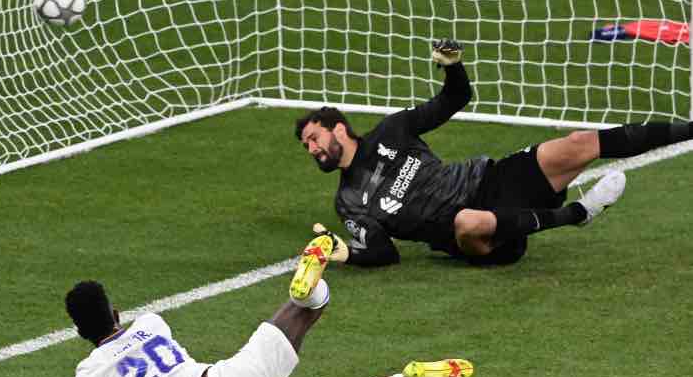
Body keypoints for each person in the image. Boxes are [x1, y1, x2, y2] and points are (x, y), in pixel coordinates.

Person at [18, 235, 474, 377]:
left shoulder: (91, 370)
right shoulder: (151, 325)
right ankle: (310, 285)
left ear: (79, 332)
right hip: (229, 375)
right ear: (118, 313)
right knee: (308, 308)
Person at [295, 39, 693, 266]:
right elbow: (384, 252)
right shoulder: (348, 202)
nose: (312, 150)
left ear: (339, 129)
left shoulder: (393, 130)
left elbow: (456, 97)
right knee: (469, 220)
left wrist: (453, 66)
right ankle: (576, 214)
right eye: (307, 146)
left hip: (489, 180)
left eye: (314, 138)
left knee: (579, 142)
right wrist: (341, 251)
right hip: (474, 235)